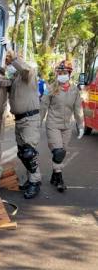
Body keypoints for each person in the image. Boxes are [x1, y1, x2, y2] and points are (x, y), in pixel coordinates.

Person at [1, 38, 41, 199]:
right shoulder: (16, 78)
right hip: (19, 120)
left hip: (30, 120)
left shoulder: (28, 74)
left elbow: (25, 69)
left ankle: (35, 182)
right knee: (22, 153)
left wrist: (12, 53)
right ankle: (33, 179)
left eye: (10, 60)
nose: (9, 63)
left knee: (29, 153)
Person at [40, 60, 84, 192]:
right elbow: (43, 106)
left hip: (67, 126)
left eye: (64, 72)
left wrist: (81, 125)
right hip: (53, 124)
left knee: (62, 152)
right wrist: (37, 123)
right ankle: (59, 179)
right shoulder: (50, 88)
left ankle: (54, 175)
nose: (61, 75)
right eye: (59, 72)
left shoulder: (74, 90)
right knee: (58, 152)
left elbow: (78, 109)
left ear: (69, 74)